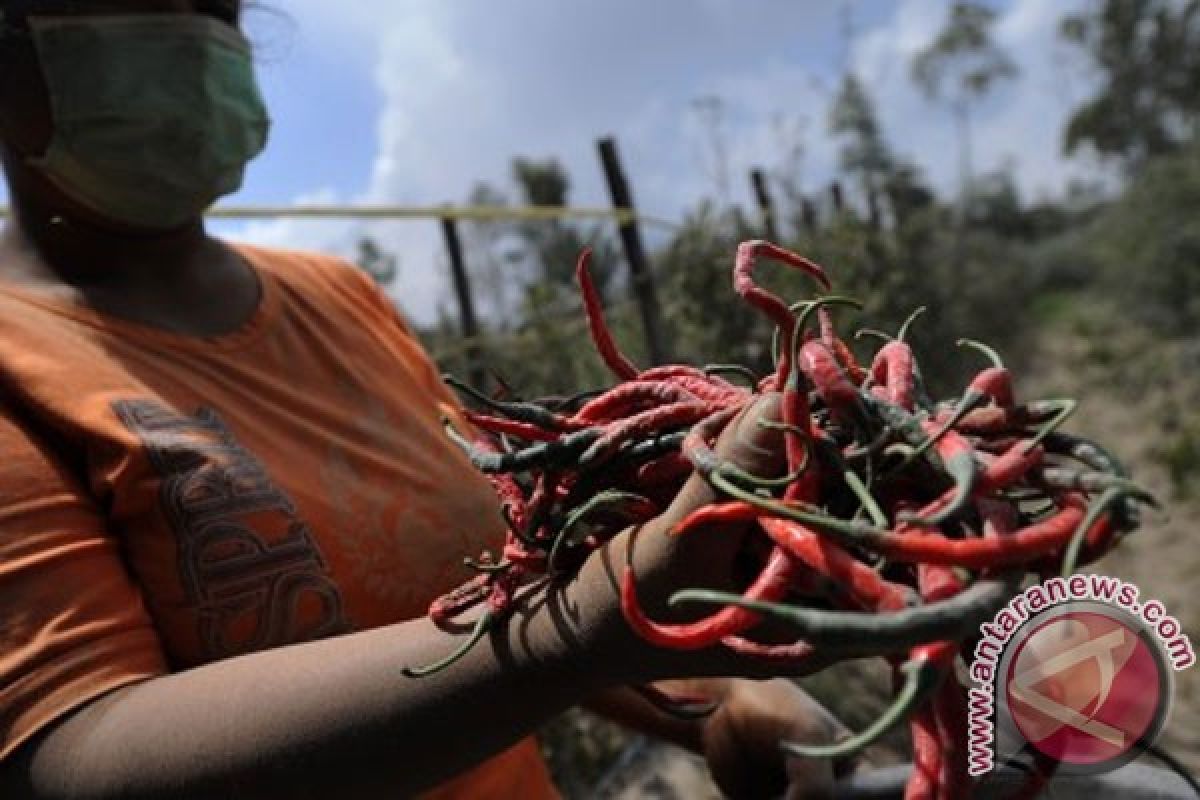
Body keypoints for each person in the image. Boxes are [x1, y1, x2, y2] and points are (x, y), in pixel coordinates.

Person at [0, 2, 855, 797]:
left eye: (215, 8)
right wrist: (599, 621)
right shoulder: (17, 354)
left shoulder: (337, 296)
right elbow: (74, 747)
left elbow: (501, 576)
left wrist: (701, 700)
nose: (188, 36)